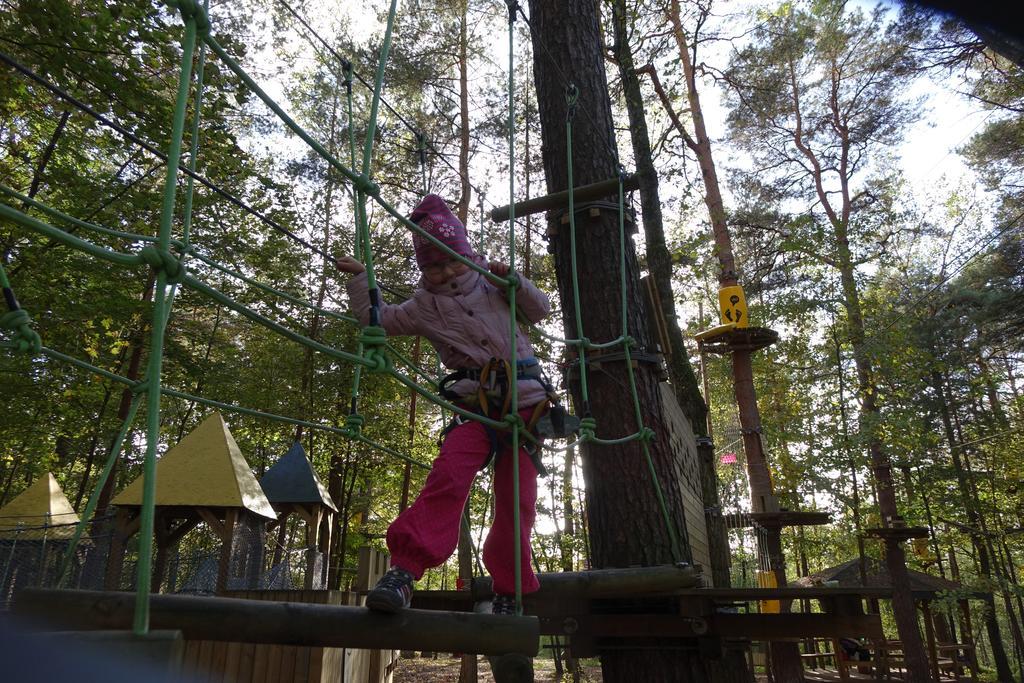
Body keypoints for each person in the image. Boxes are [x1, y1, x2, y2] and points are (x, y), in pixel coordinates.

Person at [336, 194, 552, 616]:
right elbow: (378, 320)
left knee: (517, 499)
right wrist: (362, 280)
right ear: (423, 269)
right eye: (434, 265)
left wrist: (516, 281)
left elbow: (539, 309)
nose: (446, 270)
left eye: (453, 260)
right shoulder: (423, 306)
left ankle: (511, 590)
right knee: (448, 477)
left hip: (526, 407)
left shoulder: (493, 282)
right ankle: (404, 571)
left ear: (467, 253)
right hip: (474, 407)